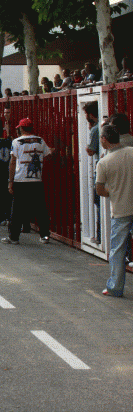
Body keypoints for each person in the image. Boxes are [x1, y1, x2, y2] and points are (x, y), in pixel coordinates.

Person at [95, 124, 133, 297]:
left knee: (118, 250)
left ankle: (115, 287)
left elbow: (100, 190)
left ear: (104, 139)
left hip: (120, 209)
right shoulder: (132, 152)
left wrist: (114, 190)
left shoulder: (104, 162)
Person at [2, 118, 53, 245]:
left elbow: (13, 162)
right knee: (41, 208)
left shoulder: (17, 142)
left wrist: (10, 181)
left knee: (17, 209)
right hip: (37, 179)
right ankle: (45, 235)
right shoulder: (40, 141)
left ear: (21, 128)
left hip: (21, 179)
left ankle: (14, 237)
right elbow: (49, 154)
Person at [83, 101, 101, 244]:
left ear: (90, 114)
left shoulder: (96, 130)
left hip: (99, 169)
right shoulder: (102, 126)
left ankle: (99, 236)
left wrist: (86, 147)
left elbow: (91, 150)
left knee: (98, 201)